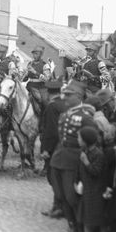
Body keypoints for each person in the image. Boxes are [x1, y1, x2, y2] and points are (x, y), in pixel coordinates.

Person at [49, 80, 98, 232]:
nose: (65, 98)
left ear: (78, 96)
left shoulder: (86, 116)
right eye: (65, 94)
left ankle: (82, 230)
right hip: (60, 158)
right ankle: (72, 227)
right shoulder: (65, 114)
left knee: (72, 197)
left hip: (74, 161)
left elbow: (93, 140)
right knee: (62, 195)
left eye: (69, 95)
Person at [40, 78, 68, 219]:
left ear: (48, 92)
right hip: (63, 145)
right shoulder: (64, 104)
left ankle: (59, 207)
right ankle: (59, 206)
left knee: (53, 178)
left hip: (54, 147)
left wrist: (46, 149)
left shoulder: (51, 107)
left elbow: (50, 130)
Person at [76, 126, 107, 232]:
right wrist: (77, 181)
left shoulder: (98, 154)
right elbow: (79, 169)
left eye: (79, 137)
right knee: (86, 215)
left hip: (97, 188)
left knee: (100, 217)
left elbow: (96, 171)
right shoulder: (84, 151)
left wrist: (86, 162)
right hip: (87, 187)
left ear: (86, 139)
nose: (78, 140)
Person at [23, 46, 51, 118]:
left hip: (41, 87)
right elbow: (26, 78)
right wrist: (24, 75)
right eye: (33, 54)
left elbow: (47, 79)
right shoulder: (30, 64)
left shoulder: (45, 65)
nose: (34, 56)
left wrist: (35, 72)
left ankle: (45, 118)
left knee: (45, 102)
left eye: (36, 54)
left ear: (40, 55)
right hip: (30, 86)